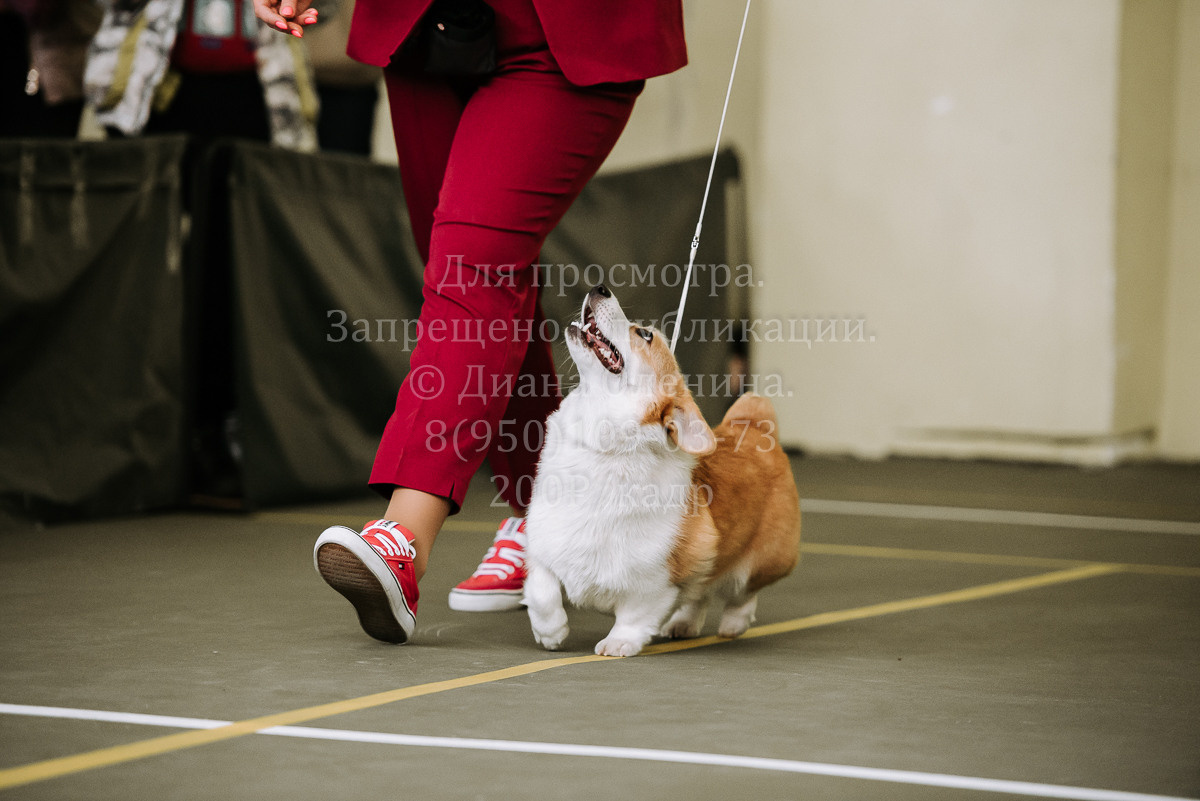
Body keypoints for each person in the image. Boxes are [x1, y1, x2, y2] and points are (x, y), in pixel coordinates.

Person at [251, 0, 688, 644]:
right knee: (479, 277)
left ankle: (403, 539)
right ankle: (543, 517)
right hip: (424, 25)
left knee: (472, 270)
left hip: (568, 30)